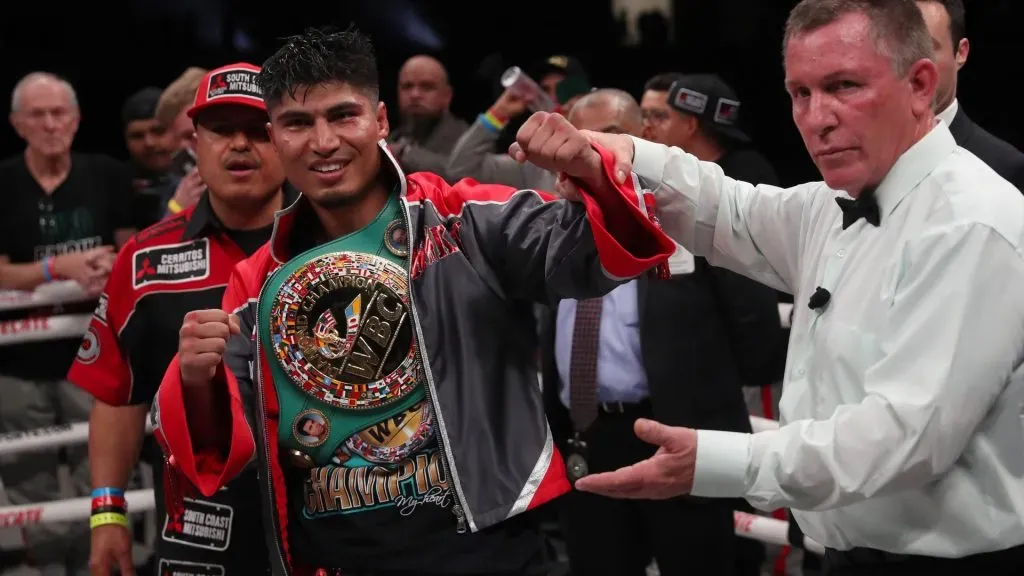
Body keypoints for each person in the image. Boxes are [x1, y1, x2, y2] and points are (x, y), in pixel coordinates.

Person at [511, 0, 1024, 574]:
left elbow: (903, 440)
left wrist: (717, 461)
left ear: (921, 84)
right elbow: (727, 208)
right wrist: (619, 154)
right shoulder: (831, 206)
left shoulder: (973, 223)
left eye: (844, 85)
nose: (816, 117)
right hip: (849, 553)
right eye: (800, 93)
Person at [151, 27, 674, 576]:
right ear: (275, 137)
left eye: (343, 116)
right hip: (334, 560)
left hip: (488, 553)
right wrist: (194, 380)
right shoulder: (256, 282)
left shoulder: (464, 222)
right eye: (298, 123)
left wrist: (594, 174)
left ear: (380, 121)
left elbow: (604, 255)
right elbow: (223, 451)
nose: (323, 141)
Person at [540, 89, 782, 576]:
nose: (585, 149)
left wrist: (714, 410)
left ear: (640, 138)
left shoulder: (682, 213)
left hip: (678, 432)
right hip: (587, 438)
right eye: (575, 136)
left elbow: (753, 327)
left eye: (605, 135)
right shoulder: (551, 225)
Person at [68, 62, 288, 576]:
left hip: (329, 515)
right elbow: (118, 395)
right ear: (194, 141)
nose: (239, 145)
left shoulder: (337, 241)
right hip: (201, 527)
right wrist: (106, 513)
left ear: (283, 138)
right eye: (221, 130)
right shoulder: (145, 263)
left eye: (258, 131)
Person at [0, 71, 135, 576]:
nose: (51, 124)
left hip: (92, 353)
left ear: (77, 121)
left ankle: (91, 567)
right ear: (18, 124)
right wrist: (59, 269)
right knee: (27, 479)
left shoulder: (107, 174)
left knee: (96, 475)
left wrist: (108, 265)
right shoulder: (5, 180)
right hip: (17, 362)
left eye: (60, 114)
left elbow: (132, 249)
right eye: (38, 115)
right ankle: (47, 566)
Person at [915, 0, 1024, 190]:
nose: (911, 64)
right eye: (901, 50)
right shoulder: (860, 152)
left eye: (927, 48)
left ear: (961, 52)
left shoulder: (1004, 167)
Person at [387, 55, 468, 178]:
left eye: (427, 87)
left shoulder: (466, 137)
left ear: (447, 96)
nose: (414, 95)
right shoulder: (395, 136)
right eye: (407, 86)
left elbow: (462, 173)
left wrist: (404, 152)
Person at [120, 86, 175, 229]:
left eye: (159, 131)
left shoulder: (203, 176)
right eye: (137, 136)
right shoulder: (115, 185)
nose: (149, 143)